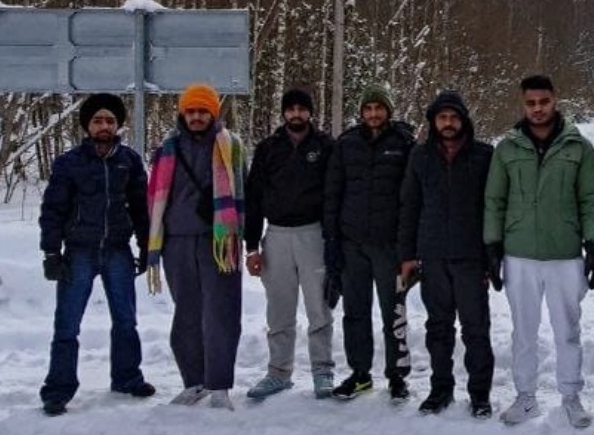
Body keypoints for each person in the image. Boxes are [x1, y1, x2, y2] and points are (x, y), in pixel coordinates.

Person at [484, 74, 594, 429]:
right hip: (519, 254)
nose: (537, 109)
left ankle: (571, 396)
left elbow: (590, 199)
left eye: (544, 102)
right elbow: (494, 201)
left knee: (567, 329)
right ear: (523, 104)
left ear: (555, 100)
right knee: (524, 330)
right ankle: (525, 398)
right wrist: (492, 246)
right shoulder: (507, 148)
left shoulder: (578, 148)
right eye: (531, 103)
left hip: (565, 255)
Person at [38, 92, 154, 415]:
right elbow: (53, 210)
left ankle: (127, 377)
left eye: (110, 121)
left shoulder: (128, 160)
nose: (104, 126)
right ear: (87, 126)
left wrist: (147, 247)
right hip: (79, 252)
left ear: (118, 125)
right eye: (98, 120)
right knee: (67, 324)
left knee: (126, 320)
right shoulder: (69, 163)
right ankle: (58, 390)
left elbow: (141, 208)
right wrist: (50, 252)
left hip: (118, 250)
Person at [145, 82, 246, 409]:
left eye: (203, 111)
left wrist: (243, 236)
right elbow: (154, 197)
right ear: (182, 113)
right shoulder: (166, 149)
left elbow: (244, 195)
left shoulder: (231, 146)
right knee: (186, 315)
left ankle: (220, 386)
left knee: (221, 313)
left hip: (219, 242)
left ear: (213, 113)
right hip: (176, 242)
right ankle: (194, 381)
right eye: (191, 111)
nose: (197, 117)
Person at [398, 89, 496, 416]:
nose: (449, 123)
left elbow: (493, 208)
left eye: (454, 117)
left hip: (470, 258)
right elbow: (409, 205)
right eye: (442, 118)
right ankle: (441, 390)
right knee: (438, 327)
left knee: (476, 329)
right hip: (433, 256)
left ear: (464, 120)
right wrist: (408, 254)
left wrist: (491, 255)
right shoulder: (420, 156)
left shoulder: (483, 155)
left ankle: (480, 394)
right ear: (433, 122)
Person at [322, 82, 416, 401]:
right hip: (352, 244)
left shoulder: (404, 143)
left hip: (389, 245)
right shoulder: (346, 144)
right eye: (368, 108)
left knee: (394, 312)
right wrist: (332, 239)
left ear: (388, 110)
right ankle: (360, 373)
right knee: (355, 312)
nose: (373, 114)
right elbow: (332, 193)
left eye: (379, 108)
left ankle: (397, 377)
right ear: (361, 112)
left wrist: (409, 246)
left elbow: (412, 197)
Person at [243, 87, 336, 401]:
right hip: (277, 235)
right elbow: (253, 198)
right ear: (284, 113)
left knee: (319, 309)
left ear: (310, 112)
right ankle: (278, 372)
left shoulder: (325, 146)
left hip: (313, 234)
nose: (296, 114)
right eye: (291, 109)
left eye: (302, 109)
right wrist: (252, 246)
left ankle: (323, 371)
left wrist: (334, 239)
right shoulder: (269, 148)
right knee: (279, 310)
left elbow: (335, 194)